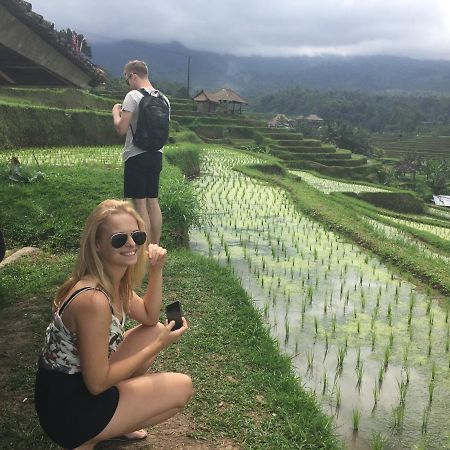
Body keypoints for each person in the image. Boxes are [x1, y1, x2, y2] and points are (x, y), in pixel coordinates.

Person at [34, 199, 192, 450]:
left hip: (76, 387)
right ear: (98, 245)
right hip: (67, 409)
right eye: (119, 239)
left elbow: (150, 317)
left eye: (137, 236)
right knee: (181, 387)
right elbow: (96, 383)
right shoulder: (93, 299)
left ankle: (117, 422)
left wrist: (156, 270)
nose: (131, 244)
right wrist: (159, 346)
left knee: (153, 332)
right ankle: (87, 437)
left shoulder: (112, 280)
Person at [112, 60, 170, 244]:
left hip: (136, 155)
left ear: (133, 75)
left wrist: (115, 112)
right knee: (153, 201)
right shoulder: (164, 99)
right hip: (157, 155)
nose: (128, 82)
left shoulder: (133, 96)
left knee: (139, 201)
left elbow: (121, 129)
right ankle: (155, 246)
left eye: (127, 78)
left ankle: (143, 249)